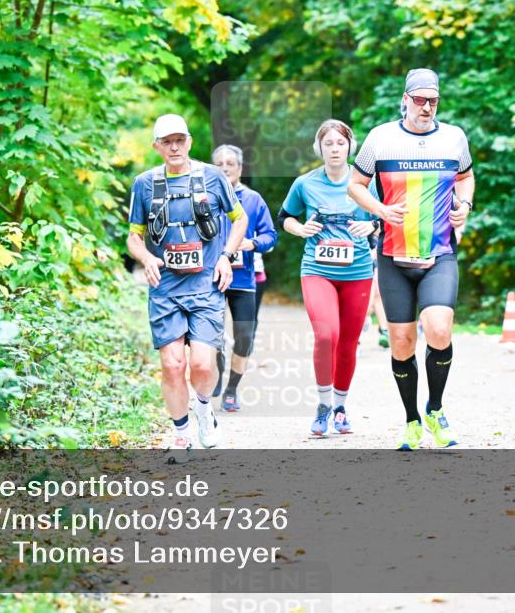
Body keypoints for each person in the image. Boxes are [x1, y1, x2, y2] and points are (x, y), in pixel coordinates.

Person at [349, 68, 474, 450]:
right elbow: (355, 185)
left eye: (433, 100)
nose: (426, 107)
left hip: (440, 253)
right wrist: (381, 211)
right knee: (401, 343)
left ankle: (436, 409)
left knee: (438, 330)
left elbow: (466, 176)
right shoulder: (381, 139)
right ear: (405, 99)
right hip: (393, 256)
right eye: (419, 99)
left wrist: (465, 204)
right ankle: (412, 420)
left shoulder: (454, 138)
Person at [127, 114, 248, 463]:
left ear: (190, 142)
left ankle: (205, 411)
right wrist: (146, 257)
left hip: (206, 284)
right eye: (167, 141)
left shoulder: (212, 176)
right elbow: (134, 237)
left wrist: (226, 255)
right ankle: (181, 434)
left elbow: (239, 220)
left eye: (180, 139)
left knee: (203, 365)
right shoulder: (144, 184)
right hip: (165, 288)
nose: (174, 146)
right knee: (172, 364)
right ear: (157, 147)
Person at [278, 119, 379, 436]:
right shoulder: (305, 183)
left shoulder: (366, 183)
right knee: (326, 335)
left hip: (358, 272)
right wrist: (300, 229)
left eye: (340, 143)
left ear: (351, 146)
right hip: (317, 270)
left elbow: (385, 217)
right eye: (328, 144)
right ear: (319, 148)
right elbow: (285, 217)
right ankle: (322, 406)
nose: (335, 149)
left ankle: (339, 407)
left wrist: (372, 226)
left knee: (348, 343)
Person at [211, 144, 277, 412]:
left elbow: (271, 236)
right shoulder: (203, 197)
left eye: (231, 163)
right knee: (210, 334)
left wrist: (250, 244)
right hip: (211, 278)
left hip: (244, 279)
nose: (225, 167)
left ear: (240, 168)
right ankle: (215, 369)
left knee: (245, 336)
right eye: (220, 163)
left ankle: (231, 389)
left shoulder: (253, 200)